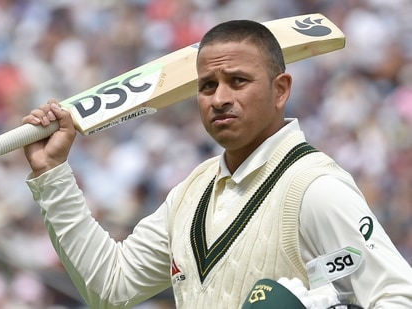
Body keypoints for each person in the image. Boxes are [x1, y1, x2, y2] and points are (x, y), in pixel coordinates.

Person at [21, 19, 412, 308]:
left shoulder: (315, 188)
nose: (219, 98)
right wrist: (52, 174)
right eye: (207, 85)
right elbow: (110, 286)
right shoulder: (192, 192)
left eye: (238, 81)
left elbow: (397, 296)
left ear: (281, 90)